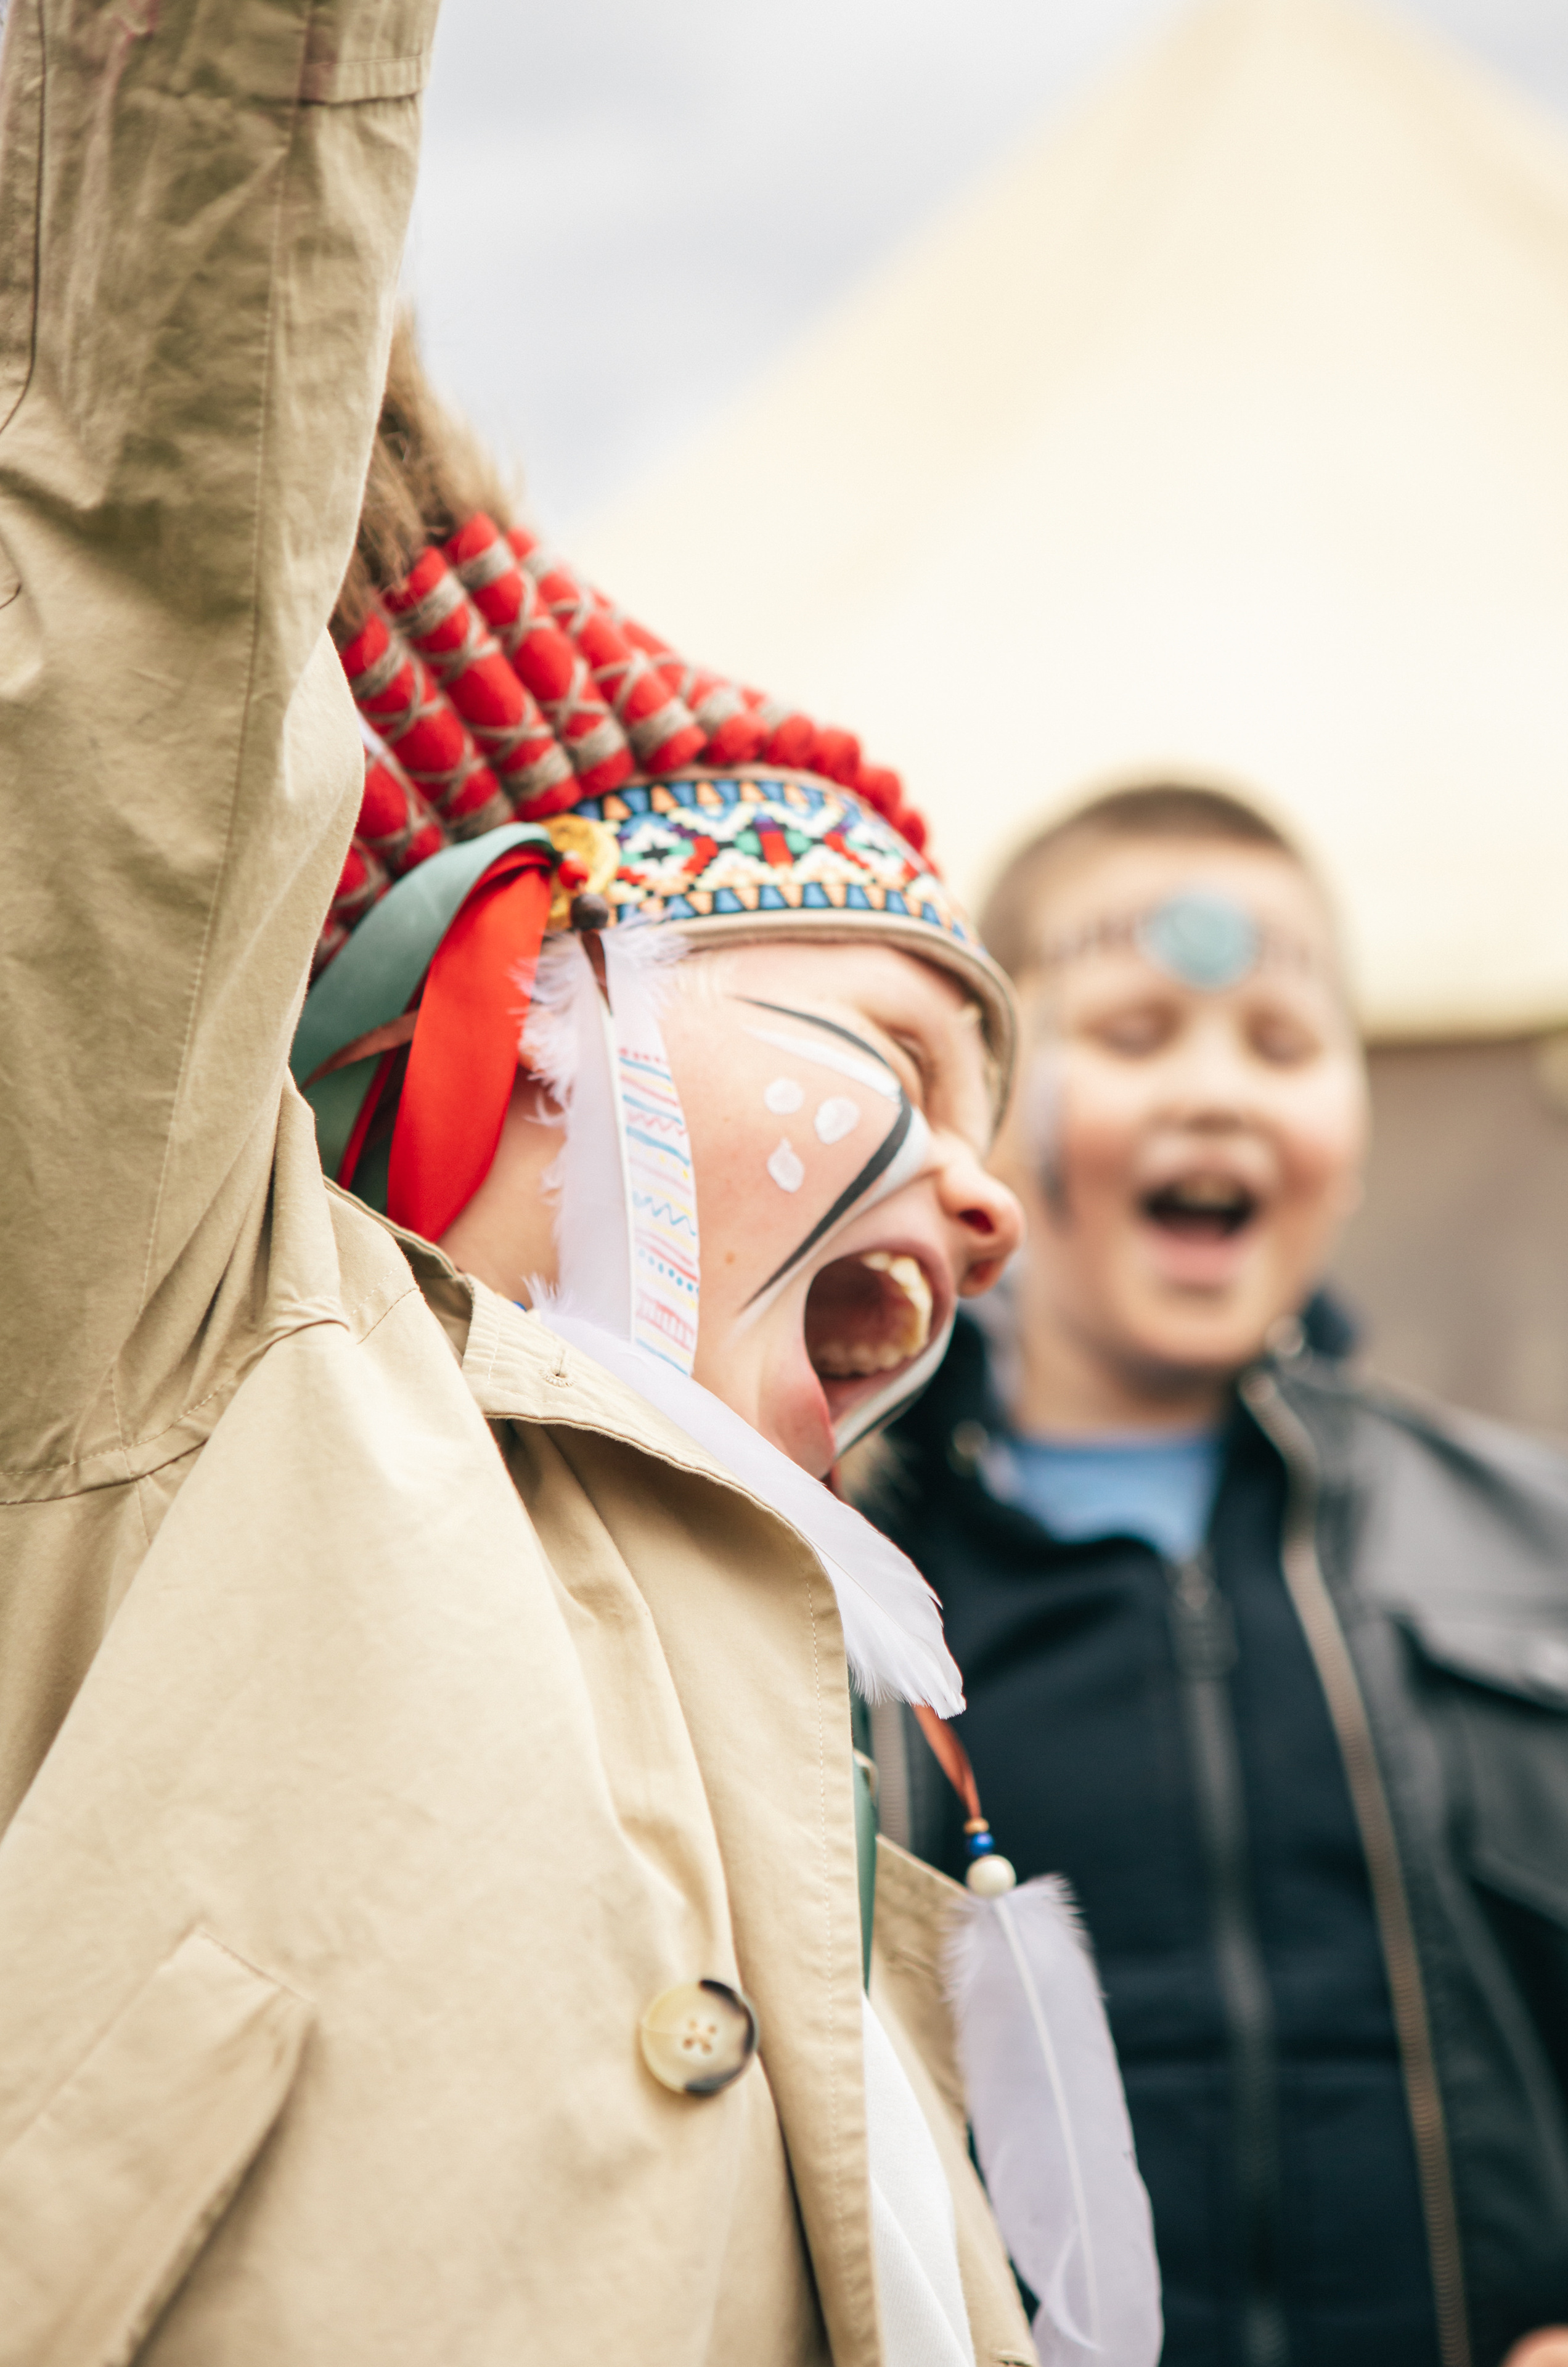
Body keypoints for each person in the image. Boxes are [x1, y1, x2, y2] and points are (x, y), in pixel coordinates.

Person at [0, 4, 1075, 2357]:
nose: (996, 1216)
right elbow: (151, 573)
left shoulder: (834, 1760)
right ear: (536, 988)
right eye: (905, 1059)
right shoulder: (161, 1342)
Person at [864, 782, 1568, 2367]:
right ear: (983, 1112)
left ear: (1353, 1131)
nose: (1213, 1092)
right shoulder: (836, 1584)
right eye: (1130, 1035)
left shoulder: (1546, 1558)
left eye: (1280, 1042)